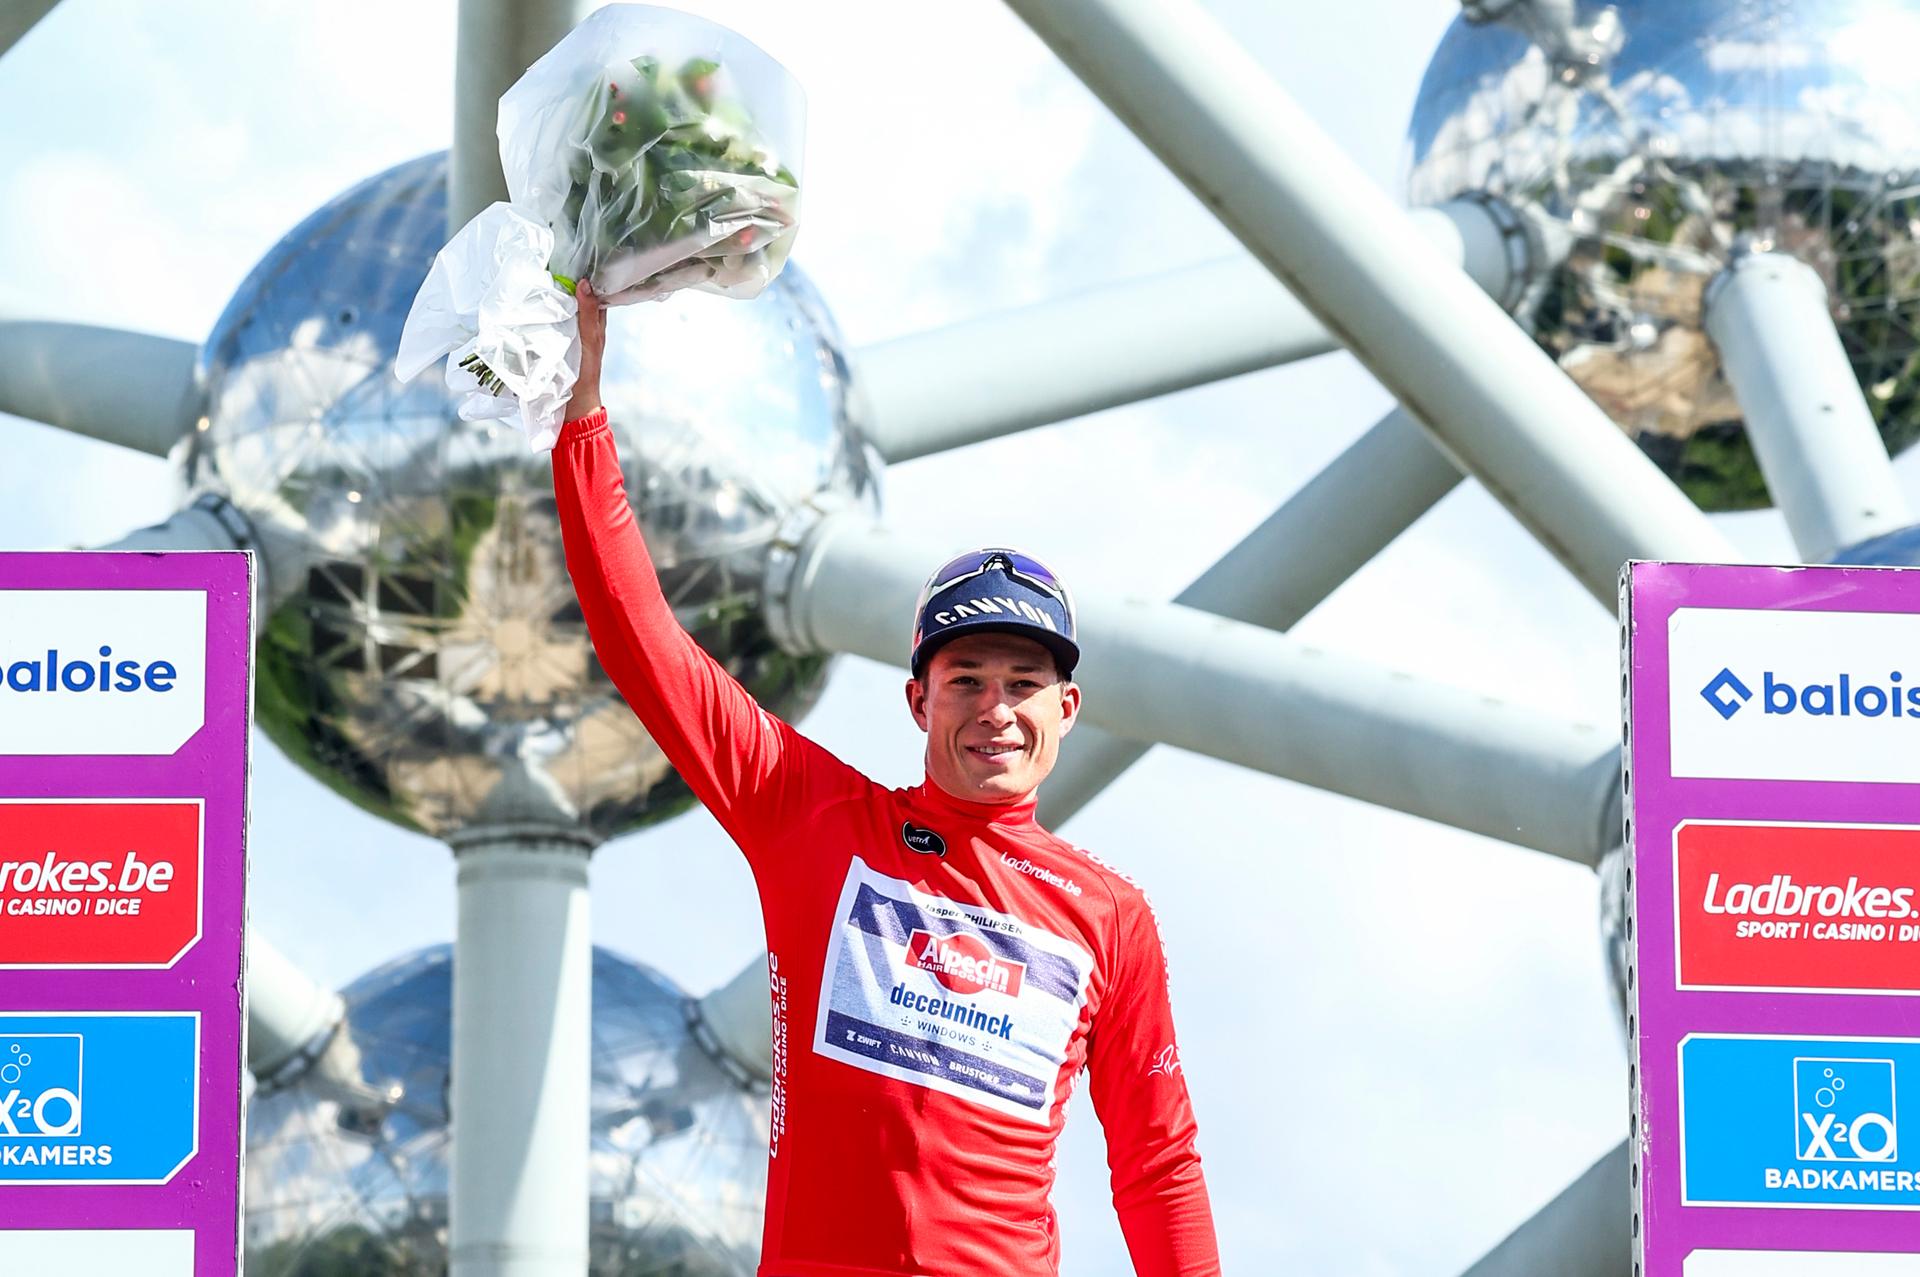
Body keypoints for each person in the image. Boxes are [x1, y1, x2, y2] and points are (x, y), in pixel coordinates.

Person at [550, 279, 1221, 1276]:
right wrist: (583, 415)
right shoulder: (807, 809)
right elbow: (642, 640)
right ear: (919, 701)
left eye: (1024, 682)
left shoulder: (1111, 917)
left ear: (1064, 711)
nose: (996, 707)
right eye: (967, 680)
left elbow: (1158, 1164)